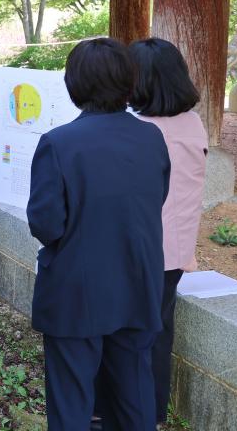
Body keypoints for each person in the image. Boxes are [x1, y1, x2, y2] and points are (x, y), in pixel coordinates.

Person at [27, 38, 170, 431]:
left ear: (74, 84)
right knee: (133, 394)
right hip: (138, 280)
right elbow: (156, 199)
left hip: (76, 287)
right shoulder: (151, 137)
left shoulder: (59, 143)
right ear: (128, 81)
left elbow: (46, 224)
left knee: (71, 399)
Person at [128, 37, 207, 425]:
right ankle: (154, 412)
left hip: (140, 247)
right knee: (159, 329)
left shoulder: (138, 129)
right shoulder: (193, 123)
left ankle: (125, 411)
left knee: (130, 336)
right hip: (176, 249)